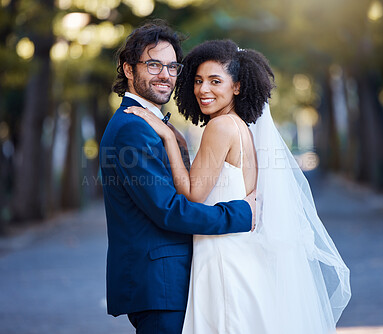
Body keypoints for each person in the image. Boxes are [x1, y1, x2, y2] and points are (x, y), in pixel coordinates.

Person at [127, 39, 351, 333]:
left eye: (215, 81)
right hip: (239, 251)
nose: (203, 90)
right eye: (198, 80)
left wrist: (168, 139)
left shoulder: (220, 127)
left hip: (222, 256)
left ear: (237, 87)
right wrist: (180, 143)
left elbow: (193, 194)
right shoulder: (240, 126)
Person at [99, 23, 256, 334]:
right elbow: (169, 209)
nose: (165, 74)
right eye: (154, 64)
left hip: (171, 282)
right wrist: (242, 214)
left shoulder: (151, 124)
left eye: (172, 66)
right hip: (160, 286)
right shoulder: (133, 128)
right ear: (129, 70)